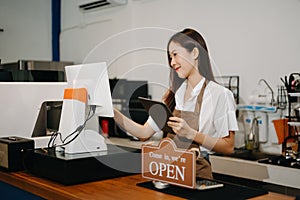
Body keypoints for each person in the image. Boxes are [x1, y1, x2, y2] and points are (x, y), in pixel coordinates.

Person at [113, 28, 238, 180]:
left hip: (197, 178)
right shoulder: (172, 95)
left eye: (175, 54)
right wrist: (112, 112)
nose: (172, 63)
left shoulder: (220, 95)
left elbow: (228, 146)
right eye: (170, 57)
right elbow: (143, 133)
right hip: (168, 174)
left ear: (195, 53)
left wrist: (191, 133)